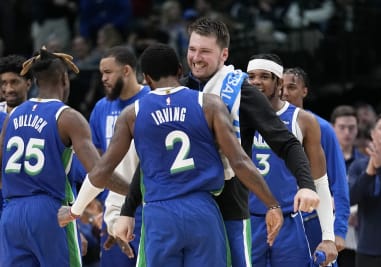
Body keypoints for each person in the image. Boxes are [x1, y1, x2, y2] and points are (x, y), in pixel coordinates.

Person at [58, 43, 284, 267]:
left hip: (160, 214)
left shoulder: (132, 114)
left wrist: (76, 211)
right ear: (179, 70)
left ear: (146, 78)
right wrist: (271, 205)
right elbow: (239, 161)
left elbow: (101, 171)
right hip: (202, 210)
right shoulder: (209, 104)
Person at [176, 17, 322, 267]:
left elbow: (286, 143)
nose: (196, 57)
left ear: (224, 54)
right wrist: (127, 209)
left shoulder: (242, 93)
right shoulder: (180, 92)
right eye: (192, 49)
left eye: (205, 51)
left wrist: (306, 185)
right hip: (185, 209)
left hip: (230, 211)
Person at [0, 47, 128, 267]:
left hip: (11, 212)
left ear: (36, 81)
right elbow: (99, 174)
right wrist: (136, 191)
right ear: (63, 79)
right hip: (50, 212)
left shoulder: (12, 117)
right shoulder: (67, 117)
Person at [246, 53, 337, 266]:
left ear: (279, 82)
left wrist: (328, 237)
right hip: (248, 221)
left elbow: (319, 181)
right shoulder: (234, 116)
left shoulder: (303, 120)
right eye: (251, 76)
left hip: (289, 221)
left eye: (264, 76)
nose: (256, 81)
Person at [88, 45, 150, 266]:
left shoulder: (151, 99)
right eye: (101, 73)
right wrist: (93, 201)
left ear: (126, 71)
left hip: (148, 202)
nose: (103, 78)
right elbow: (96, 161)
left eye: (108, 72)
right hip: (113, 205)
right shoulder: (101, 108)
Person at [281, 67, 350, 258]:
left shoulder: (322, 128)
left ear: (304, 91)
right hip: (284, 219)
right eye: (281, 87)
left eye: (292, 87)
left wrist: (338, 230)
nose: (285, 92)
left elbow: (338, 181)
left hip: (316, 219)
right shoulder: (267, 126)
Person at [348, 113, 381, 267]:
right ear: (373, 134)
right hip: (365, 250)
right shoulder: (359, 166)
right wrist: (370, 172)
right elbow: (350, 199)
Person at [331, 105, 366, 267]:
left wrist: (360, 211)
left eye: (351, 128)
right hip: (327, 230)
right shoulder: (321, 159)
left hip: (358, 233)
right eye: (342, 127)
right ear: (333, 128)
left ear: (357, 129)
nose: (347, 132)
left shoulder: (366, 161)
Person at [0, 54, 32, 219]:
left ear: (28, 83)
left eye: (14, 82)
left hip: (29, 199)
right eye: (4, 83)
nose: (8, 89)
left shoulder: (39, 114)